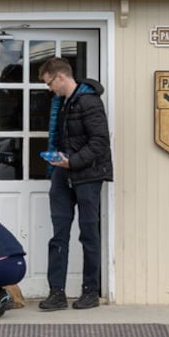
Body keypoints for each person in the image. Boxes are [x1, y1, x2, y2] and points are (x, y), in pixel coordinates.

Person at [37, 56, 111, 311]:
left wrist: (73, 162)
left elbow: (100, 141)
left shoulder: (89, 101)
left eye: (49, 83)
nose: (49, 89)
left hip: (88, 176)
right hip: (62, 175)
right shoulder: (63, 103)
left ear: (60, 77)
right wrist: (60, 163)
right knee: (59, 235)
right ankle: (56, 292)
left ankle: (90, 291)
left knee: (89, 234)